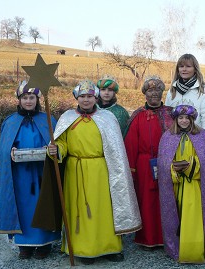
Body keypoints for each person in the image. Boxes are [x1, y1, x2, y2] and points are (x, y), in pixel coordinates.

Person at [38, 80, 141, 265]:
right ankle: (83, 249)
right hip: (76, 171)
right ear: (77, 97)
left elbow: (116, 149)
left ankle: (110, 248)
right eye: (82, 96)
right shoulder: (68, 118)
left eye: (90, 96)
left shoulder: (107, 118)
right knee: (79, 210)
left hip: (101, 170)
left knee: (105, 209)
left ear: (96, 97)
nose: (86, 100)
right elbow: (62, 143)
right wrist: (55, 149)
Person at [157, 104, 205, 263]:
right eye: (181, 118)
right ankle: (179, 248)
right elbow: (163, 163)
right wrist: (173, 168)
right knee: (178, 215)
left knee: (194, 217)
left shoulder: (202, 136)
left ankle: (196, 249)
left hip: (195, 186)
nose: (184, 121)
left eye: (187, 118)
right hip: (177, 185)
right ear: (176, 119)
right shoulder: (167, 137)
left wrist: (191, 167)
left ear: (192, 120)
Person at [0, 81, 61, 259]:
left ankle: (44, 244)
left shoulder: (48, 119)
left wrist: (51, 150)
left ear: (37, 99)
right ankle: (24, 245)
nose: (28, 101)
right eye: (24, 97)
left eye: (31, 97)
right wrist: (10, 152)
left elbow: (58, 143)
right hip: (21, 175)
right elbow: (3, 149)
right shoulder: (10, 122)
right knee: (24, 207)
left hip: (43, 173)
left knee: (43, 205)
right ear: (19, 100)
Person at [124, 75, 173, 249]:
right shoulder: (138, 116)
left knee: (165, 200)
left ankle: (167, 236)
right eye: (151, 90)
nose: (154, 94)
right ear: (145, 93)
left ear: (162, 93)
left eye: (158, 90)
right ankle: (147, 238)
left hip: (166, 163)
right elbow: (130, 144)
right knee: (146, 200)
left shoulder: (170, 114)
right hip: (144, 164)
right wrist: (132, 170)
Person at [165, 53, 205, 139]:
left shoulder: (203, 91)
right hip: (175, 139)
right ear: (178, 69)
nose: (184, 69)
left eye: (188, 66)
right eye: (181, 66)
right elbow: (167, 117)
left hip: (196, 138)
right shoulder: (172, 91)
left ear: (195, 69)